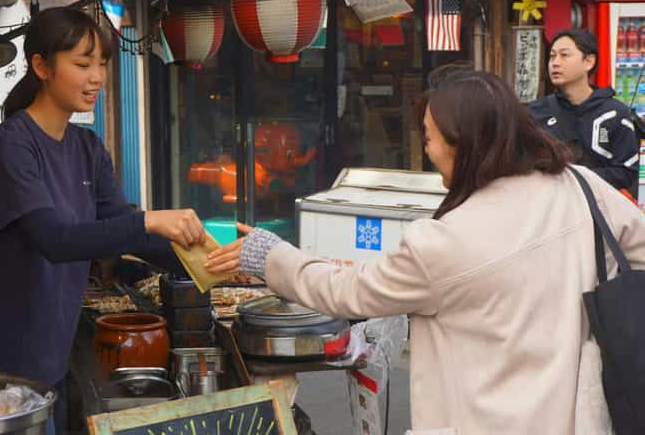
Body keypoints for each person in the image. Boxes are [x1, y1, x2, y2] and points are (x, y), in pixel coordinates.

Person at [207, 67, 645, 434]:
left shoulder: (448, 241)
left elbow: (349, 292)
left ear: (465, 143)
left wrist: (270, 255)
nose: (428, 150)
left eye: (430, 137)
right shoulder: (579, 186)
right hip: (579, 419)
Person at [0, 7, 204, 434]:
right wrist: (149, 221)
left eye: (103, 64)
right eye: (82, 63)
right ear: (41, 66)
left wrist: (216, 264)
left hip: (48, 362)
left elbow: (125, 230)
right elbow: (55, 240)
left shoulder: (86, 146)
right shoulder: (10, 148)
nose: (97, 77)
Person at [529, 28, 639, 197]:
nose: (555, 63)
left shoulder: (616, 114)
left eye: (564, 55)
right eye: (552, 56)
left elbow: (627, 172)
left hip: (599, 213)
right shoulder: (536, 112)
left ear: (589, 61)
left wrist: (574, 179)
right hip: (550, 213)